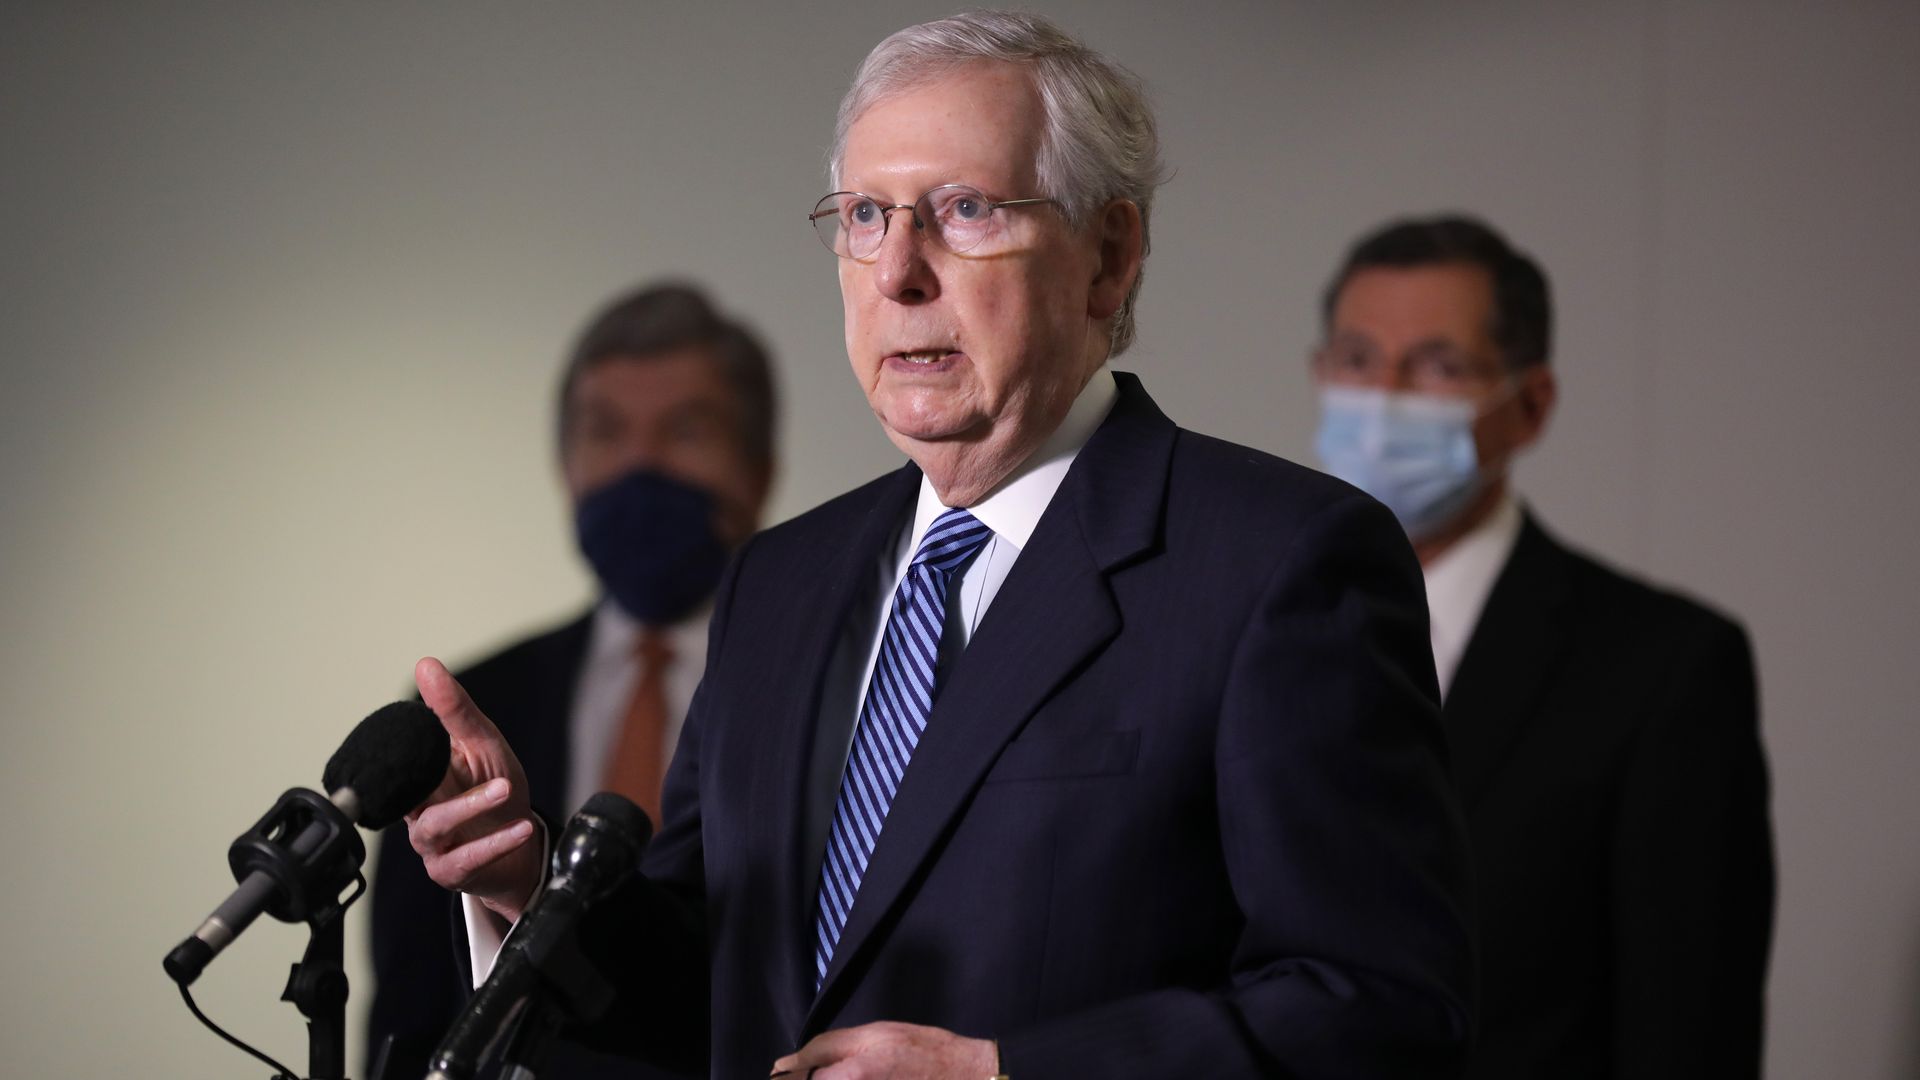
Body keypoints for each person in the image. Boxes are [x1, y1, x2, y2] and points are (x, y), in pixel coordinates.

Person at [402, 13, 1475, 1078]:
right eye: (866, 215)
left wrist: (1004, 1076)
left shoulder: (1279, 564)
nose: (899, 272)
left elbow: (1376, 1012)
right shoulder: (780, 582)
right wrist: (530, 879)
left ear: (1109, 257)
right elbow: (712, 985)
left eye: (963, 211)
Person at [1309, 214, 1775, 1079]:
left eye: (1438, 367)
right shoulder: (1254, 628)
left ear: (1529, 405)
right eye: (1359, 360)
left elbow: (1688, 1034)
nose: (1383, 399)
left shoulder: (1662, 668)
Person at [366, 282, 777, 1079]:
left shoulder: (846, 689)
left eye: (685, 430)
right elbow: (411, 1019)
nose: (639, 465)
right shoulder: (461, 715)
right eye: (606, 432)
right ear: (564, 465)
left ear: (758, 467)